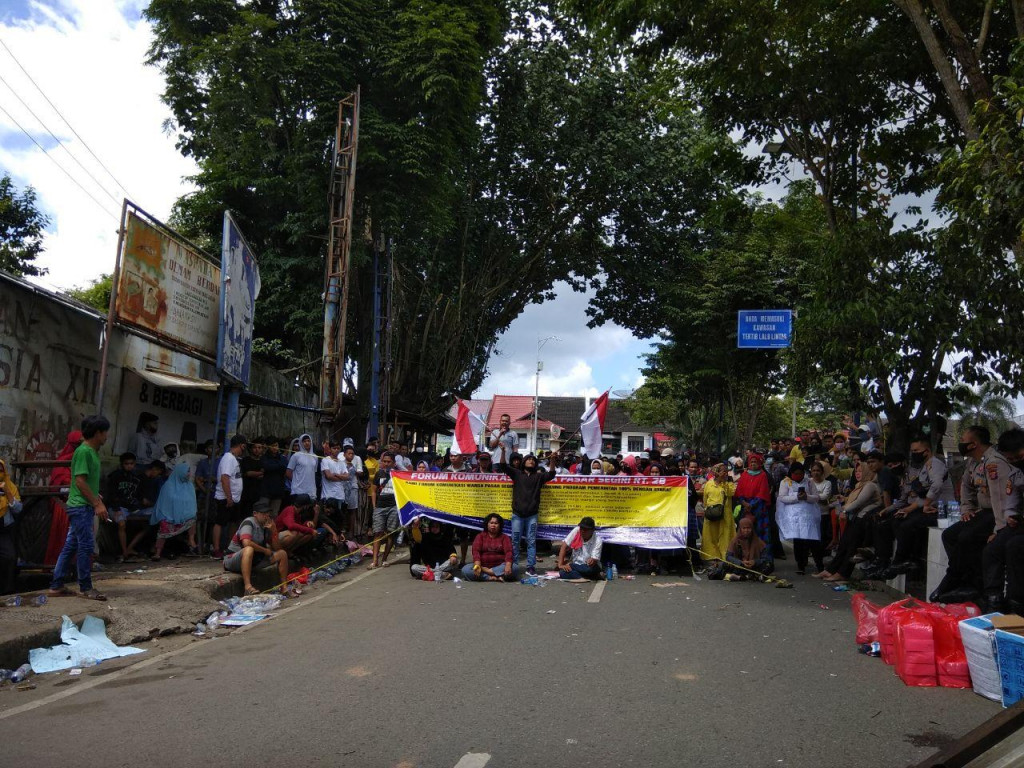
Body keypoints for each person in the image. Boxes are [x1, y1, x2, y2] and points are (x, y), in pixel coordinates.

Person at [932, 426, 1014, 602]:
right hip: (983, 511)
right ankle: (964, 579)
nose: (960, 443)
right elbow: (966, 487)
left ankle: (960, 580)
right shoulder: (973, 462)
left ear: (973, 444)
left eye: (963, 440)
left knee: (966, 538)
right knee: (950, 535)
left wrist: (999, 531)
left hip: (1000, 513)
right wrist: (966, 510)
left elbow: (1001, 500)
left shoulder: (995, 463)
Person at [47, 415, 110, 601]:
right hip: (80, 507)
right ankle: (85, 587)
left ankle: (56, 585)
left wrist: (95, 496)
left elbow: (83, 482)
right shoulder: (84, 452)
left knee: (71, 546)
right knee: (86, 546)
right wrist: (97, 503)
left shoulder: (90, 451)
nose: (107, 436)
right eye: (105, 432)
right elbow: (80, 481)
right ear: (98, 433)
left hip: (81, 505)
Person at [882, 436, 954, 577]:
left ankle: (902, 561)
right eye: (912, 451)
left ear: (926, 451)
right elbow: (921, 495)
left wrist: (925, 504)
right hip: (930, 508)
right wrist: (907, 509)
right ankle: (904, 561)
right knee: (897, 521)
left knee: (907, 525)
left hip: (942, 509)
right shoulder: (924, 467)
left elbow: (937, 485)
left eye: (916, 450)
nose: (913, 453)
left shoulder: (935, 464)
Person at [496, 445, 557, 577]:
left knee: (531, 541)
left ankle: (530, 567)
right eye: (529, 459)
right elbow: (503, 466)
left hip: (532, 515)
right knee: (515, 541)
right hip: (517, 514)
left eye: (533, 460)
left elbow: (551, 474)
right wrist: (502, 451)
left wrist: (552, 460)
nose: (531, 461)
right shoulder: (517, 474)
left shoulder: (539, 476)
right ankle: (515, 565)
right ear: (524, 462)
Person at [816, 463, 882, 583]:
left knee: (852, 547)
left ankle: (843, 573)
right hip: (856, 517)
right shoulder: (860, 485)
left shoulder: (870, 485)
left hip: (864, 520)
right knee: (843, 544)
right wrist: (845, 500)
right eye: (856, 471)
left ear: (868, 472)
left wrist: (844, 509)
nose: (857, 473)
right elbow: (855, 500)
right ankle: (831, 570)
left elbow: (859, 502)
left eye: (861, 471)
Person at [981, 428, 1024, 612]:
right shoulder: (1017, 473)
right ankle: (994, 600)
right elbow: (1011, 501)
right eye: (1011, 459)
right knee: (993, 548)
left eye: (1019, 456)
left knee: (1015, 546)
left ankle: (1017, 603)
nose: (1015, 462)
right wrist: (1010, 518)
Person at [222, 498, 294, 596]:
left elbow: (277, 549)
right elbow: (246, 543)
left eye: (268, 513)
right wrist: (264, 550)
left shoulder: (266, 526)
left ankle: (284, 587)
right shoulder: (248, 522)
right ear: (255, 513)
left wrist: (274, 532)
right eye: (263, 513)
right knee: (249, 549)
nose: (266, 516)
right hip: (233, 558)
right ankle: (247, 587)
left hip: (255, 559)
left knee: (282, 554)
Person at [777, 462, 822, 576]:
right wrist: (796, 497)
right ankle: (801, 565)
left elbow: (816, 497)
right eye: (796, 474)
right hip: (794, 516)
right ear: (791, 473)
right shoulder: (785, 482)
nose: (798, 475)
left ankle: (820, 565)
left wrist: (807, 497)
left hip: (808, 515)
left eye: (800, 473)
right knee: (799, 541)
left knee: (813, 540)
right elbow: (782, 497)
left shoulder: (809, 481)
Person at [150, 463, 199, 560]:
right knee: (163, 526)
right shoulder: (168, 485)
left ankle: (191, 541)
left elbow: (191, 503)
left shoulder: (189, 485)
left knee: (192, 518)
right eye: (187, 471)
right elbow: (165, 503)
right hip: (168, 514)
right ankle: (157, 553)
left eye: (189, 471)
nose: (189, 474)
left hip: (184, 515)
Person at [212, 434, 247, 560]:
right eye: (244, 446)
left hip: (235, 498)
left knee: (233, 522)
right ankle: (216, 549)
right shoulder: (228, 458)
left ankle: (230, 548)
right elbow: (224, 478)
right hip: (225, 498)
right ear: (241, 445)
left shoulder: (235, 459)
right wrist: (229, 497)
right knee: (220, 522)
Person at [106, 452, 145, 562]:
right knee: (122, 524)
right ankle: (124, 552)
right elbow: (111, 494)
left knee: (149, 523)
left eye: (131, 463)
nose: (129, 466)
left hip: (131, 507)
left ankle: (129, 548)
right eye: (126, 463)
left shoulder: (136, 477)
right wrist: (116, 509)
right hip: (117, 507)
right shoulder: (115, 476)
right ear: (122, 464)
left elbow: (139, 494)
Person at [461, 513, 516, 581]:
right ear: (487, 524)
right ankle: (491, 577)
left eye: (496, 523)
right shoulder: (480, 536)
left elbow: (509, 552)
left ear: (500, 525)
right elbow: (476, 551)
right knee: (465, 570)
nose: (493, 525)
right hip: (482, 565)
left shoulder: (505, 537)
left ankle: (489, 573)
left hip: (500, 566)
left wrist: (508, 565)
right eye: (491, 523)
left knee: (515, 568)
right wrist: (478, 565)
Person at [368, 451, 399, 568]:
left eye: (388, 462)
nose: (386, 464)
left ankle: (384, 559)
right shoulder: (378, 474)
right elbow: (374, 491)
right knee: (378, 533)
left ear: (393, 463)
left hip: (394, 507)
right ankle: (375, 561)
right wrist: (375, 506)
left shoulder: (398, 475)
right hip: (380, 507)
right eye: (384, 461)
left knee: (391, 533)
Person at [735, 453, 772, 548]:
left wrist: (751, 504)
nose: (753, 464)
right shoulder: (744, 474)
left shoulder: (762, 475)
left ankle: (762, 557)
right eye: (751, 462)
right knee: (744, 531)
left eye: (755, 462)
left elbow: (763, 492)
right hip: (745, 506)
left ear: (759, 463)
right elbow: (739, 490)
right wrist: (744, 502)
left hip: (758, 507)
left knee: (760, 531)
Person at [701, 463, 736, 562]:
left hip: (725, 515)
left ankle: (725, 556)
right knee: (711, 536)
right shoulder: (709, 484)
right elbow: (705, 499)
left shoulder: (728, 483)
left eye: (726, 471)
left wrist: (725, 483)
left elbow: (732, 493)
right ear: (716, 472)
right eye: (723, 471)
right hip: (711, 514)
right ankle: (711, 556)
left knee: (724, 536)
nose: (725, 473)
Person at [0, 458, 22, 594]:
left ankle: (6, 591)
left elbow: (18, 509)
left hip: (3, 530)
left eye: (0, 470)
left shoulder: (10, 486)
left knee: (9, 557)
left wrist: (7, 492)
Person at [260, 437, 289, 516]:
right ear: (268, 446)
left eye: (276, 445)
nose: (275, 448)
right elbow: (267, 466)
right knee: (262, 513)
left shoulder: (282, 458)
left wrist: (276, 466)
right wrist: (279, 466)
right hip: (266, 491)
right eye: (273, 445)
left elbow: (285, 467)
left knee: (274, 514)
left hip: (278, 491)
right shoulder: (264, 457)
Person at [286, 433, 319, 501]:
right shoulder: (296, 456)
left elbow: (313, 473)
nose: (307, 443)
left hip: (311, 491)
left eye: (308, 441)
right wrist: (297, 481)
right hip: (298, 491)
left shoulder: (315, 457)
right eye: (304, 441)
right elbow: (288, 473)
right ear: (301, 443)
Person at [240, 437, 265, 517]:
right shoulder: (246, 460)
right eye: (254, 447)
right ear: (251, 449)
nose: (257, 450)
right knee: (245, 516)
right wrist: (260, 473)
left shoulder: (263, 460)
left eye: (259, 447)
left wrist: (259, 474)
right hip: (247, 493)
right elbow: (248, 473)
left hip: (259, 493)